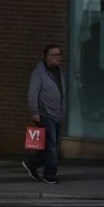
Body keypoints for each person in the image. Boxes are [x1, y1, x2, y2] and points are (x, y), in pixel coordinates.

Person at [24, 44, 66, 184]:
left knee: (50, 147)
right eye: (54, 55)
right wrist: (35, 112)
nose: (57, 57)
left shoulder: (59, 70)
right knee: (52, 146)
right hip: (45, 113)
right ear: (46, 57)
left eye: (59, 55)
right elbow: (32, 93)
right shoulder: (39, 73)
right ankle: (49, 175)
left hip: (58, 114)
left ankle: (32, 163)